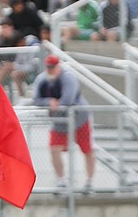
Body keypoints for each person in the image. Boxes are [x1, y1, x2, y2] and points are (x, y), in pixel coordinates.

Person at [34, 54, 95, 190]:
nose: (50, 70)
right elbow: (36, 99)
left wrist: (56, 105)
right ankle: (61, 179)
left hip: (78, 119)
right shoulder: (42, 79)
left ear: (58, 66)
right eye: (48, 67)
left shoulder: (68, 77)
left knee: (87, 149)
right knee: (54, 148)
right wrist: (49, 102)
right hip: (60, 122)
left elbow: (68, 100)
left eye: (53, 67)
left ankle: (89, 180)